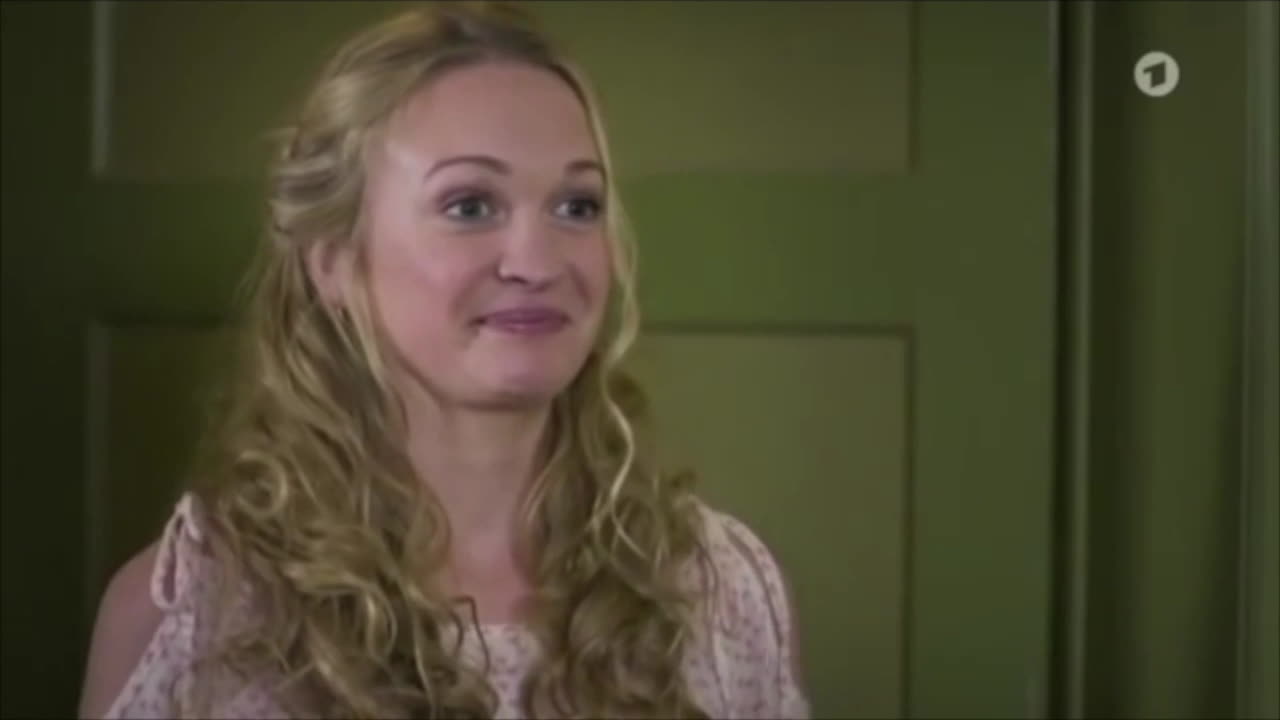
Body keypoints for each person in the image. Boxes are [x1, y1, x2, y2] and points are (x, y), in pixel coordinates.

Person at [77, 2, 810, 718]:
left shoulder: (721, 593)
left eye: (576, 206)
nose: (537, 262)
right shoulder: (198, 615)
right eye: (469, 206)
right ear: (335, 260)